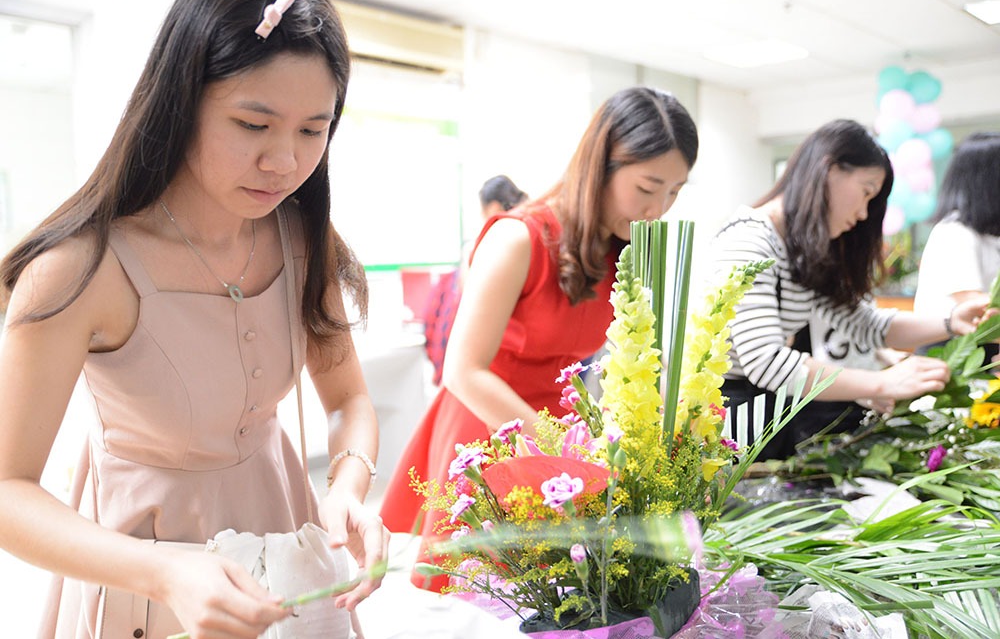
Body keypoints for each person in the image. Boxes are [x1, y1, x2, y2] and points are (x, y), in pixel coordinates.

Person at [0, 0, 388, 637]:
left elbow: (348, 399)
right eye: (253, 123)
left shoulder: (302, 239)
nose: (284, 161)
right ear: (180, 100)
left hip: (284, 541)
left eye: (312, 130)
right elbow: (9, 490)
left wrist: (349, 488)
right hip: (143, 569)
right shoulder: (82, 269)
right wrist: (163, 572)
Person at [380, 86, 699, 589]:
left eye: (675, 191)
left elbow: (630, 357)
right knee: (483, 600)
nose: (658, 208)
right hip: (490, 428)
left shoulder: (620, 249)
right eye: (648, 186)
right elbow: (464, 370)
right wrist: (556, 446)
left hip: (560, 433)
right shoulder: (518, 238)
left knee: (560, 597)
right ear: (601, 166)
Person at [714, 119, 990, 461]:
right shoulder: (750, 240)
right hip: (729, 417)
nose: (862, 214)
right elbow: (765, 361)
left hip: (768, 409)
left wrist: (950, 321)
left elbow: (866, 324)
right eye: (865, 191)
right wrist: (881, 383)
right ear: (829, 169)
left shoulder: (798, 249)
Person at [423, 175, 529, 386]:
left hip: (492, 354)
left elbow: (466, 298)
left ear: (493, 207)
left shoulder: (487, 242)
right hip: (525, 349)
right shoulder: (534, 228)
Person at [913, 132, 1000, 358]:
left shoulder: (987, 235)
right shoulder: (954, 233)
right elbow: (978, 308)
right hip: (949, 353)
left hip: (980, 347)